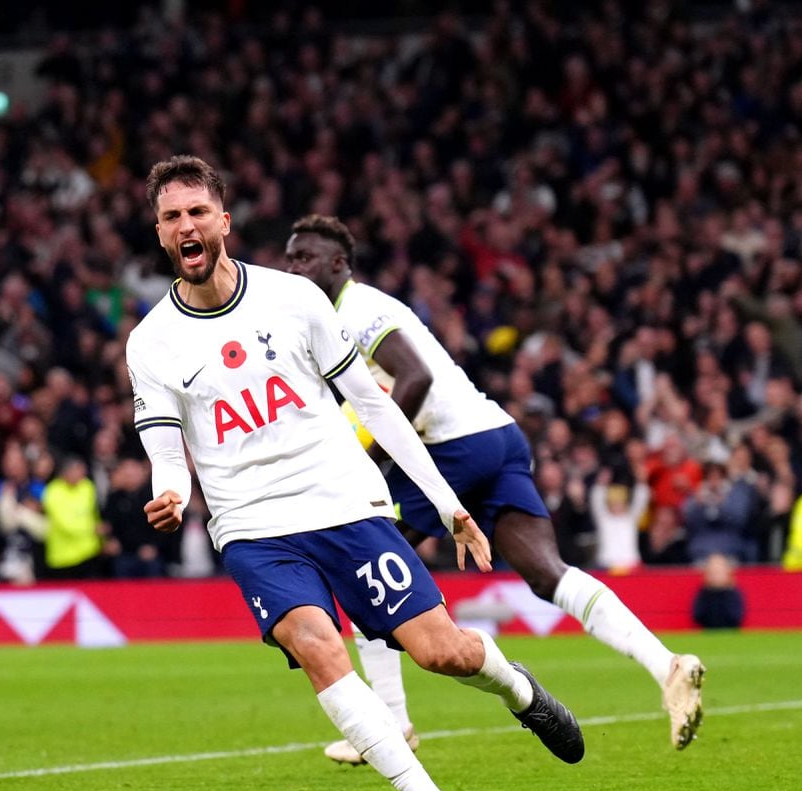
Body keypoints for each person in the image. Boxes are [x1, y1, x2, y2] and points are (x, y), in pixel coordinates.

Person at [129, 156, 583, 791]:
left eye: (197, 212)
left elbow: (374, 402)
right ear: (160, 233)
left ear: (223, 221)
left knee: (442, 654)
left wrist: (446, 501)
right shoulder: (151, 343)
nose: (185, 226)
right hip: (255, 530)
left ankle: (520, 692)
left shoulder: (293, 300)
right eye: (171, 217)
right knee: (317, 645)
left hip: (344, 506)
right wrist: (170, 494)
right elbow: (169, 453)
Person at [284, 214, 705, 758]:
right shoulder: (338, 316)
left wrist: (368, 456)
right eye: (290, 257)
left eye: (304, 258)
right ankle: (667, 666)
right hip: (496, 435)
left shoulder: (360, 309)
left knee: (364, 571)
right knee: (548, 574)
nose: (292, 267)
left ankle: (391, 727)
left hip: (454, 445)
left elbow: (414, 378)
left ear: (338, 264)